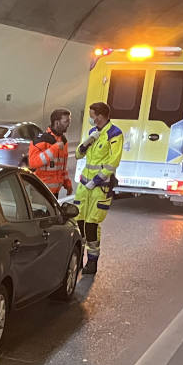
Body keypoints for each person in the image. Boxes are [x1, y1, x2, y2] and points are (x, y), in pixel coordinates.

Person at [74, 102, 124, 275]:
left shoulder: (114, 134)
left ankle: (92, 262)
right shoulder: (92, 133)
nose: (91, 118)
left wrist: (96, 180)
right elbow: (78, 154)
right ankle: (78, 259)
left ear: (100, 116)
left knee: (91, 225)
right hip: (84, 187)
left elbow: (113, 162)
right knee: (79, 223)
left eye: (92, 115)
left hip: (99, 188)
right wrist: (88, 141)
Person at [28, 108, 72, 198]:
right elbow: (33, 163)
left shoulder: (63, 141)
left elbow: (62, 167)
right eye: (66, 121)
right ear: (57, 123)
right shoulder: (40, 140)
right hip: (40, 191)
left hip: (54, 193)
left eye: (69, 121)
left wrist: (67, 183)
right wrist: (54, 149)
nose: (68, 124)